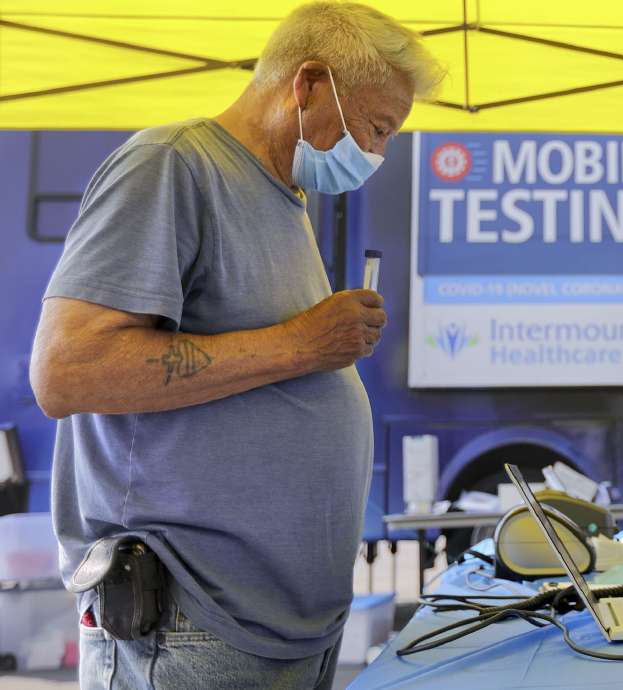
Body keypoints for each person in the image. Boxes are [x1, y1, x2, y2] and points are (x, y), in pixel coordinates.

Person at [28, 4, 442, 688]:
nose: (376, 154)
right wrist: (301, 345)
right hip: (189, 622)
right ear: (308, 84)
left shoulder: (283, 197)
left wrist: (319, 347)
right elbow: (68, 371)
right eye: (376, 129)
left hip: (276, 624)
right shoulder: (171, 166)